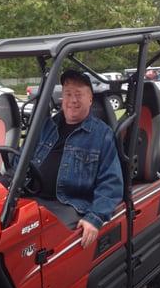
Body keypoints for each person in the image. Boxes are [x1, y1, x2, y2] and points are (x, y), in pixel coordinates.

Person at [32, 69, 123, 249]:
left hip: (69, 206)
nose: (73, 100)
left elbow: (111, 184)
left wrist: (95, 217)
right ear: (62, 98)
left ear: (90, 99)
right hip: (32, 200)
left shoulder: (101, 135)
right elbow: (22, 161)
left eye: (79, 94)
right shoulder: (46, 126)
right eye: (68, 94)